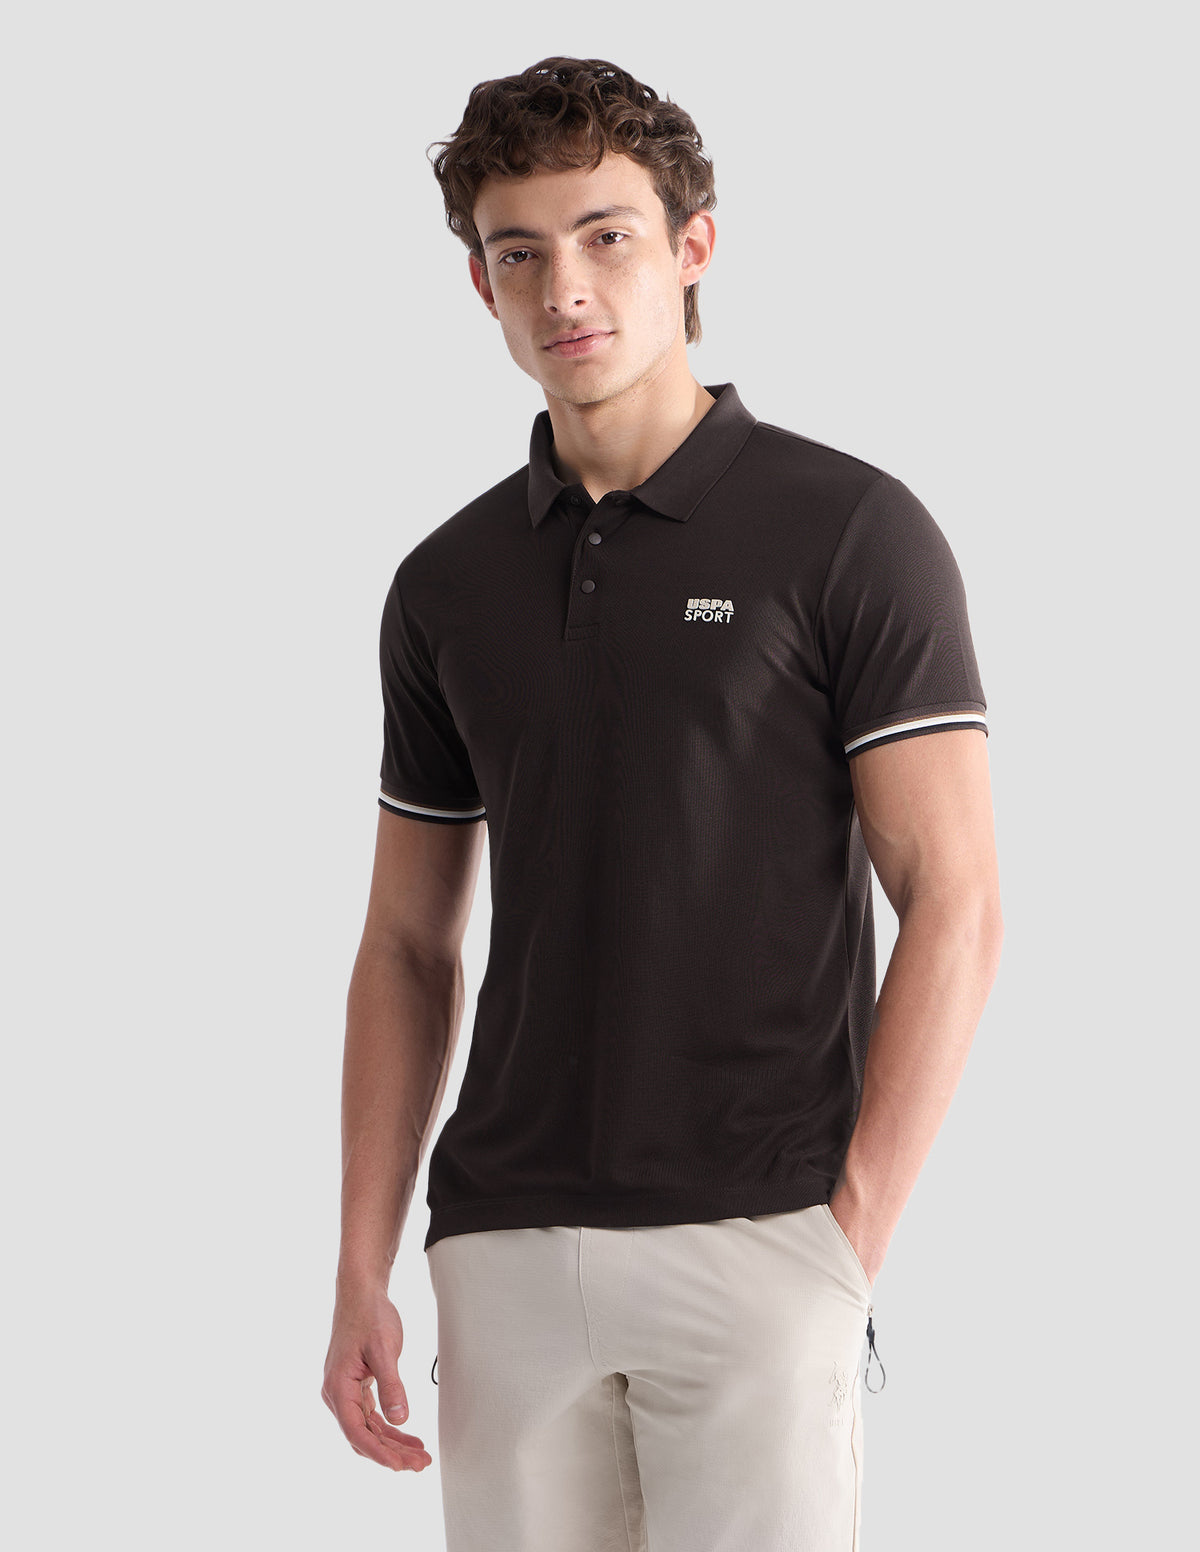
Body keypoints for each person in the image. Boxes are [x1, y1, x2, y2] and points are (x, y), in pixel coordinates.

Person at [321, 55, 1003, 1552]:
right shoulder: (444, 585)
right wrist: (364, 1260)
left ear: (694, 247)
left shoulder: (852, 530)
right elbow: (407, 945)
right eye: (518, 252)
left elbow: (954, 896)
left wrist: (847, 1236)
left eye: (607, 235)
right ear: (482, 284)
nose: (564, 287)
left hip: (761, 1235)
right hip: (503, 1247)